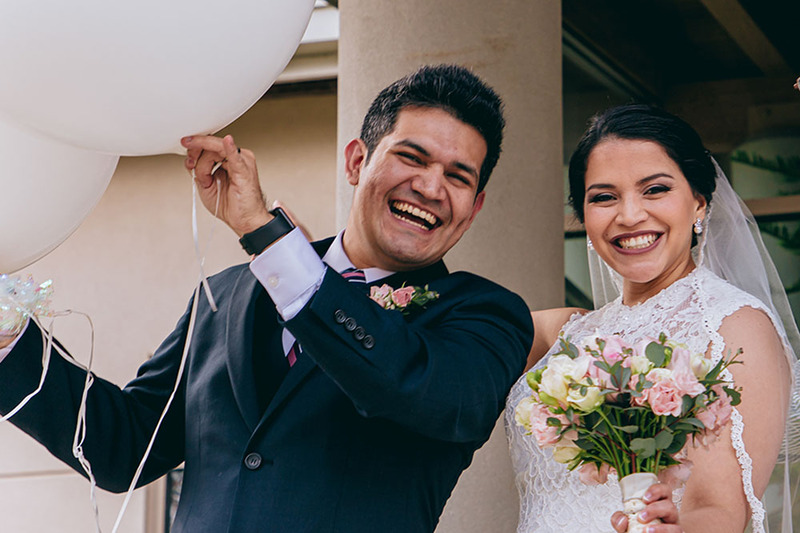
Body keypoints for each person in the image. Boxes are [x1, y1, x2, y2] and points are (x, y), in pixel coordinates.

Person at [0, 65, 533, 532]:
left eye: (457, 177)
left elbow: (420, 391)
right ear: (356, 162)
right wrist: (10, 338)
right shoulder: (226, 293)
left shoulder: (486, 316)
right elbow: (123, 448)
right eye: (411, 157)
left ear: (475, 205)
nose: (431, 187)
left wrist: (265, 235)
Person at [505, 104, 800, 532]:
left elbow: (720, 510)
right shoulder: (566, 333)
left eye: (655, 189)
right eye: (604, 197)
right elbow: (462, 323)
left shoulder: (734, 325)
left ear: (699, 202)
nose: (629, 215)